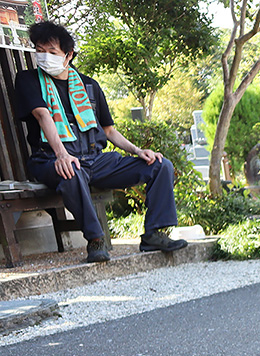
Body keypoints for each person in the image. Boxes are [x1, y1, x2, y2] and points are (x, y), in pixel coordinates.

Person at [12, 21, 186, 263]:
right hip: (51, 159)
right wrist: (61, 154)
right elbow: (43, 115)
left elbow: (109, 131)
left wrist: (138, 151)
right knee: (71, 171)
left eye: (52, 52)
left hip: (96, 159)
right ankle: (95, 240)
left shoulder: (89, 85)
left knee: (159, 165)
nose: (44, 57)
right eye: (39, 51)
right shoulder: (28, 79)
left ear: (68, 55)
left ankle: (154, 234)